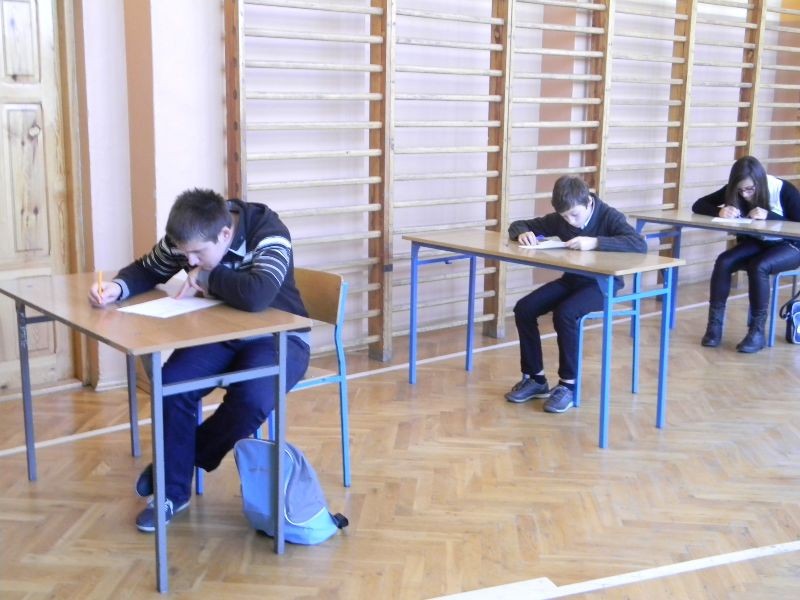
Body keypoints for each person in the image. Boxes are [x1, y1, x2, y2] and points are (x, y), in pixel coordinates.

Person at [88, 188, 310, 532]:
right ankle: (172, 493)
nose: (189, 262)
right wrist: (117, 287)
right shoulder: (189, 236)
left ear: (224, 234)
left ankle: (181, 460)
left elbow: (257, 294)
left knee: (252, 398)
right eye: (185, 254)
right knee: (172, 385)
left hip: (281, 338)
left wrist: (207, 276)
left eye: (197, 254)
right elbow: (148, 269)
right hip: (222, 334)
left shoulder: (268, 231)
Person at [505, 176, 647, 413]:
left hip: (602, 285)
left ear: (588, 202)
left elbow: (638, 244)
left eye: (574, 215)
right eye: (564, 216)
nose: (569, 221)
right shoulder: (561, 219)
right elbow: (518, 225)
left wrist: (595, 242)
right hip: (573, 280)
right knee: (524, 308)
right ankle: (536, 379)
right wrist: (522, 233)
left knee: (566, 313)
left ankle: (568, 386)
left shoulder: (609, 216)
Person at [692, 156, 800, 353]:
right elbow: (698, 205)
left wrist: (770, 216)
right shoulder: (736, 189)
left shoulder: (783, 189)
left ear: (760, 182)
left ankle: (757, 332)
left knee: (759, 266)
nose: (745, 194)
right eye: (740, 190)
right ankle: (714, 327)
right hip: (760, 243)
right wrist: (719, 212)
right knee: (724, 261)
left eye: (750, 189)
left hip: (792, 246)